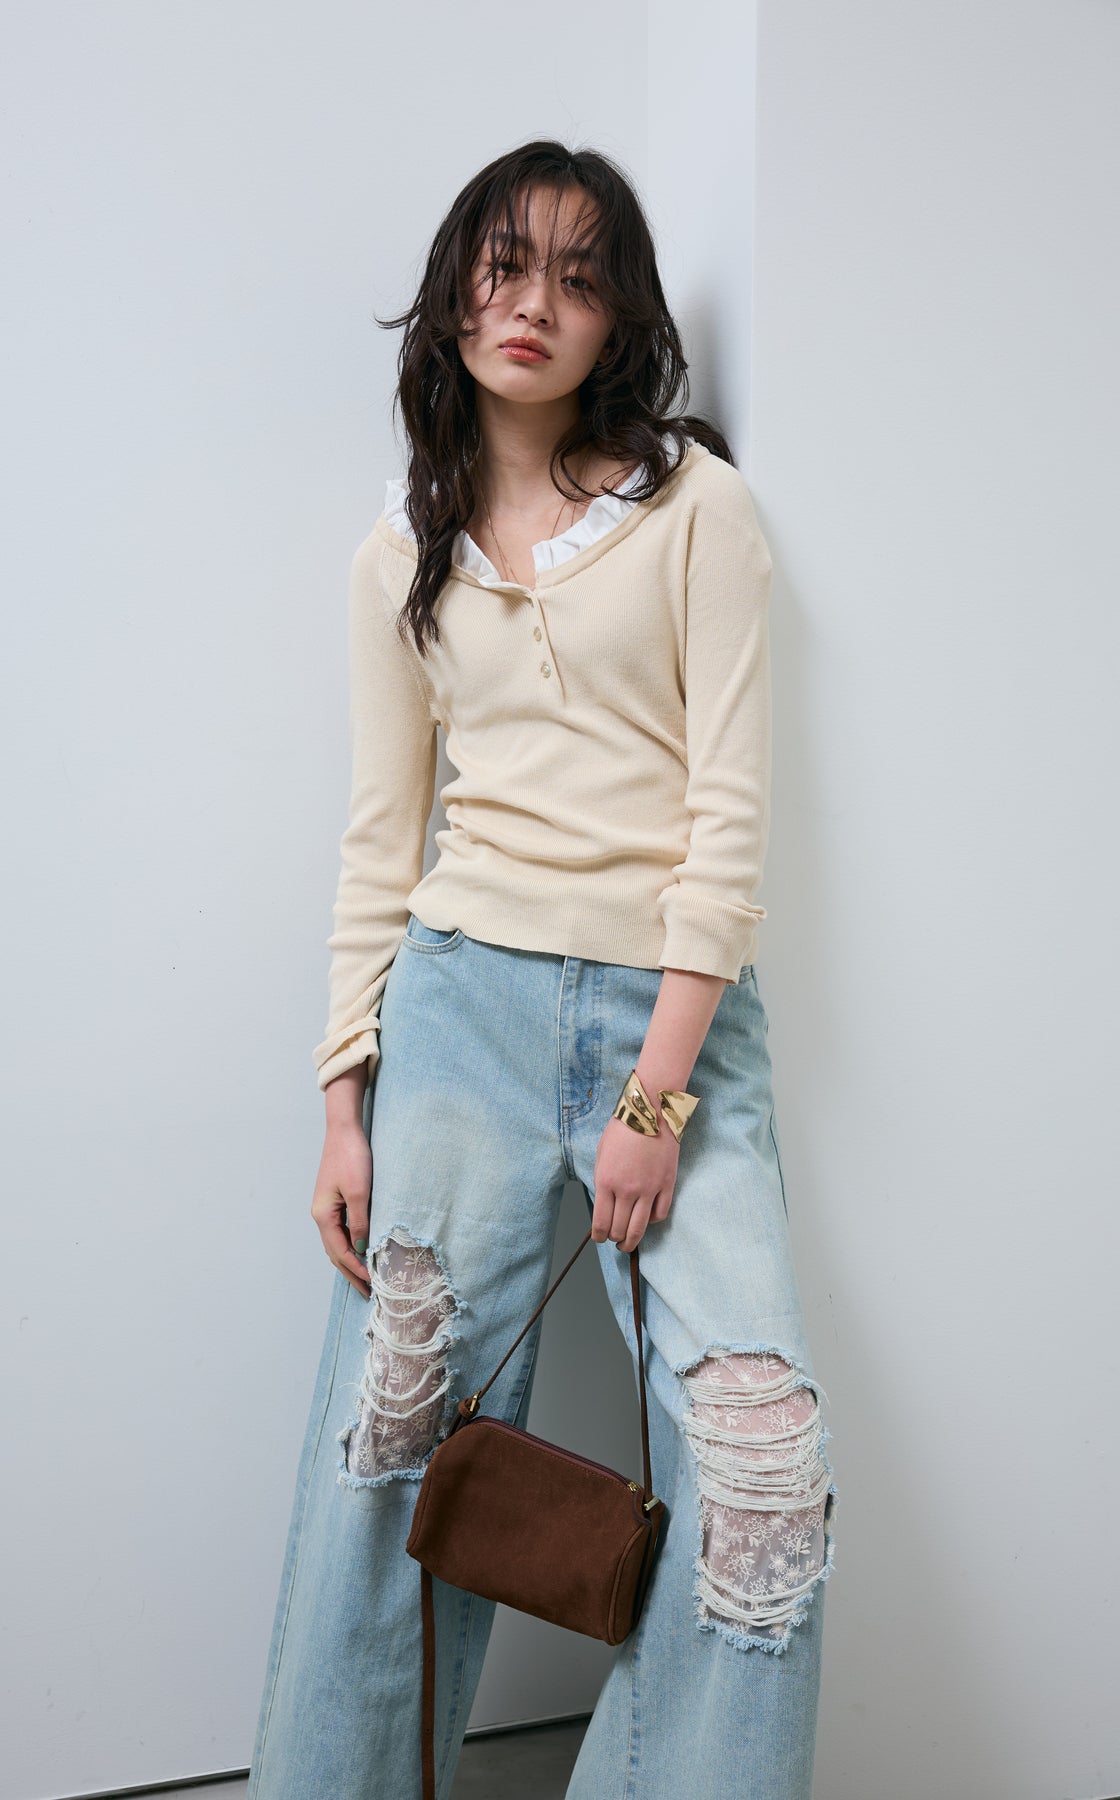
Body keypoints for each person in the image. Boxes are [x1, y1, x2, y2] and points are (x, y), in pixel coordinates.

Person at [247, 139, 837, 1800]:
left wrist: (655, 1099)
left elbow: (728, 820)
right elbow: (383, 839)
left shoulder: (697, 509)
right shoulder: (401, 556)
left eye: (580, 277)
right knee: (391, 1432)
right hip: (460, 1011)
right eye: (505, 265)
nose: (534, 304)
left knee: (764, 1470)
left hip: (674, 1026)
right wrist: (342, 1098)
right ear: (454, 294)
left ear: (620, 317)